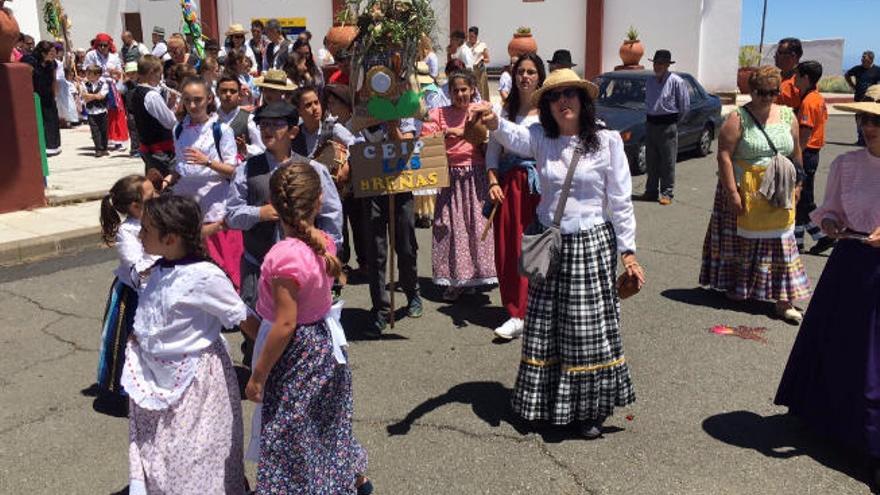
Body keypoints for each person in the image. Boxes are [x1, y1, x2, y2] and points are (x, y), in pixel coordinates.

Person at [476, 68, 644, 439]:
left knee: (586, 332)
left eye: (570, 94)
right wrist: (492, 121)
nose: (563, 101)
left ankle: (589, 412)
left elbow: (620, 201)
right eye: (555, 96)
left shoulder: (607, 141)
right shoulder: (540, 137)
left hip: (590, 243)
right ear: (547, 105)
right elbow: (512, 135)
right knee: (544, 329)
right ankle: (541, 404)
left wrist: (627, 252)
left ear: (584, 100)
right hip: (548, 242)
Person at [243, 163, 370, 494]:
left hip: (297, 351)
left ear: (275, 204)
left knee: (290, 429)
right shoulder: (324, 241)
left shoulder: (283, 256)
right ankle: (339, 480)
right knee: (324, 424)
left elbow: (285, 324)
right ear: (319, 201)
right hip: (324, 343)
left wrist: (258, 375)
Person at [774, 96, 880, 489]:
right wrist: (833, 221)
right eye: (866, 121)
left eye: (877, 123)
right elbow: (831, 208)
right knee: (838, 344)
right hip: (850, 264)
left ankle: (870, 442)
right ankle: (825, 418)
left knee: (873, 356)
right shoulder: (846, 165)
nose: (869, 129)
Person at [122, 194, 248, 494]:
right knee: (160, 454)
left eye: (147, 230)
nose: (140, 235)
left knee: (196, 454)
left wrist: (270, 361)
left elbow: (243, 317)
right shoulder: (158, 267)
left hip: (195, 383)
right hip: (155, 375)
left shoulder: (204, 276)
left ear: (171, 238)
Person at [225, 100, 342, 365]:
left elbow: (332, 218)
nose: (268, 130)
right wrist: (258, 213)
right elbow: (231, 215)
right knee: (258, 329)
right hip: (259, 267)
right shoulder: (247, 169)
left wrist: (327, 257)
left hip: (303, 270)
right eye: (263, 124)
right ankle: (259, 373)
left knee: (299, 328)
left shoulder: (312, 170)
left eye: (276, 125)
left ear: (292, 132)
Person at [699, 65, 809, 323]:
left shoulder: (786, 115)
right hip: (744, 187)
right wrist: (732, 193)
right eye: (761, 92)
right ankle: (739, 288)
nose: (767, 97)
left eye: (772, 92)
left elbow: (796, 154)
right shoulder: (738, 118)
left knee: (783, 244)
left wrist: (799, 185)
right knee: (743, 243)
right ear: (752, 90)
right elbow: (724, 155)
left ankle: (784, 301)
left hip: (780, 188)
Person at [421, 70, 497, 301]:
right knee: (450, 227)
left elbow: (492, 133)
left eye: (464, 89)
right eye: (455, 90)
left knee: (476, 225)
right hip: (450, 177)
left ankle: (474, 275)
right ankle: (456, 279)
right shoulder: (439, 113)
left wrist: (459, 132)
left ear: (472, 89)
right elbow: (427, 139)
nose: (460, 94)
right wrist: (448, 133)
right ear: (449, 92)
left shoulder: (482, 109)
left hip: (477, 176)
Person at [485, 53, 545, 339]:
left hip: (539, 187)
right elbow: (492, 153)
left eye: (531, 72)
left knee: (537, 248)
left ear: (539, 76)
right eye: (521, 71)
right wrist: (493, 182)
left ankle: (536, 308)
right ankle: (515, 311)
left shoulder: (548, 112)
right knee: (509, 250)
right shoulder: (503, 112)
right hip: (510, 188)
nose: (525, 77)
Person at [168, 77, 243, 290]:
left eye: (198, 100)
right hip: (188, 207)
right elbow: (181, 167)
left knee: (223, 264)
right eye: (188, 100)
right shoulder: (179, 130)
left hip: (215, 206)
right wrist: (167, 180)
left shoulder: (221, 130)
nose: (192, 105)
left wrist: (208, 162)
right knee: (192, 264)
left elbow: (234, 171)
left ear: (209, 99)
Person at [95, 175, 158, 414]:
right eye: (152, 196)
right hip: (133, 295)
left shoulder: (157, 218)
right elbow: (137, 268)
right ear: (135, 206)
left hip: (158, 288)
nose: (158, 198)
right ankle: (124, 392)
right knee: (127, 342)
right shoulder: (127, 232)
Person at [363, 118, 423, 334]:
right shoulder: (365, 110)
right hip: (372, 187)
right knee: (376, 252)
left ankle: (412, 293)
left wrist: (391, 124)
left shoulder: (403, 113)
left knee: (406, 247)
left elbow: (406, 145)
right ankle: (380, 308)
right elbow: (352, 137)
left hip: (401, 187)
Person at [793, 60, 833, 254]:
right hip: (812, 153)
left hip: (807, 152)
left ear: (806, 78)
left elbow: (806, 131)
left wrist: (796, 156)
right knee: (801, 200)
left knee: (805, 199)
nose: (794, 80)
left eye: (797, 76)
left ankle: (824, 235)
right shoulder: (816, 97)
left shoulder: (809, 102)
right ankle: (798, 240)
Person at [640, 49, 689, 205]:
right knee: (651, 160)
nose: (657, 66)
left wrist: (673, 122)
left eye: (661, 63)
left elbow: (684, 106)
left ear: (668, 65)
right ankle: (651, 191)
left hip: (668, 125)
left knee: (667, 161)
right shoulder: (650, 81)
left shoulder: (676, 81)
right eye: (655, 63)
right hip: (651, 124)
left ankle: (667, 193)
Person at [130, 55, 177, 181]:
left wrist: (169, 105)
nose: (160, 78)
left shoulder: (136, 92)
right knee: (166, 185)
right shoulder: (152, 95)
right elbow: (170, 122)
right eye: (159, 74)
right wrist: (178, 110)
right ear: (152, 73)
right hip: (161, 151)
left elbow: (153, 116)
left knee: (154, 181)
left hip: (147, 148)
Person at [85, 33, 129, 151]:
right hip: (97, 86)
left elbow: (120, 73)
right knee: (102, 115)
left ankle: (117, 140)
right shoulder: (91, 55)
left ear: (109, 45)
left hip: (111, 87)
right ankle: (104, 140)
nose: (103, 48)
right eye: (100, 45)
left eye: (105, 45)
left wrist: (113, 72)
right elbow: (87, 70)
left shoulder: (114, 57)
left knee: (116, 113)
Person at [291, 85, 356, 159]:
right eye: (308, 105)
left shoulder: (333, 129)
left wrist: (344, 156)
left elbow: (358, 147)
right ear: (299, 111)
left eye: (316, 102)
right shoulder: (294, 136)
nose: (315, 108)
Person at [24, 41, 62, 156]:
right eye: (51, 52)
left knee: (52, 120)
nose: (54, 55)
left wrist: (54, 94)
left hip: (48, 95)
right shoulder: (30, 61)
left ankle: (53, 146)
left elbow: (54, 79)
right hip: (35, 95)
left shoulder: (52, 63)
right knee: (39, 121)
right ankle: (41, 146)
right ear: (42, 53)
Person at [216, 76, 265, 162]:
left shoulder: (249, 119)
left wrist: (246, 149)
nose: (228, 94)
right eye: (224, 91)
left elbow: (261, 148)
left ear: (239, 94)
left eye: (233, 91)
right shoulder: (210, 118)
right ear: (217, 93)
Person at [844, 51, 880, 145]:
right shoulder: (857, 69)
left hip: (872, 100)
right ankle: (861, 139)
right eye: (862, 57)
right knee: (859, 119)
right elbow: (847, 75)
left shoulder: (877, 70)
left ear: (871, 59)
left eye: (864, 57)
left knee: (872, 120)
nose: (862, 59)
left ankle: (871, 140)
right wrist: (852, 85)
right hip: (859, 98)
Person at [82, 64, 111, 157]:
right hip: (91, 112)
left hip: (102, 111)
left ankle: (105, 148)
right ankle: (98, 149)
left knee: (104, 130)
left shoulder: (104, 84)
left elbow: (101, 96)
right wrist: (95, 96)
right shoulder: (84, 84)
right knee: (95, 131)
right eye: (87, 73)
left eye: (90, 74)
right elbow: (84, 97)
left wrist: (90, 96)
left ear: (97, 75)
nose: (87, 76)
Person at [120, 61, 142, 157]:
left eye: (134, 73)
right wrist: (123, 80)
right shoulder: (126, 84)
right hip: (131, 111)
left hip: (141, 110)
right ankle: (135, 150)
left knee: (142, 130)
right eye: (129, 73)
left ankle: (143, 148)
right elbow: (119, 90)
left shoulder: (142, 83)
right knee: (133, 131)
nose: (131, 75)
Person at [774, 37, 803, 109]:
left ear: (793, 56)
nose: (775, 56)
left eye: (779, 53)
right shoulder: (774, 78)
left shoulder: (803, 82)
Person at [466, 26, 490, 102]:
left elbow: (488, 59)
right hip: (469, 70)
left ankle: (482, 105)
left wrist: (482, 60)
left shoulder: (482, 45)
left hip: (479, 71)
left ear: (476, 36)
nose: (470, 38)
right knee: (470, 89)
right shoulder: (465, 45)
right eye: (469, 36)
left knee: (481, 90)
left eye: (472, 36)